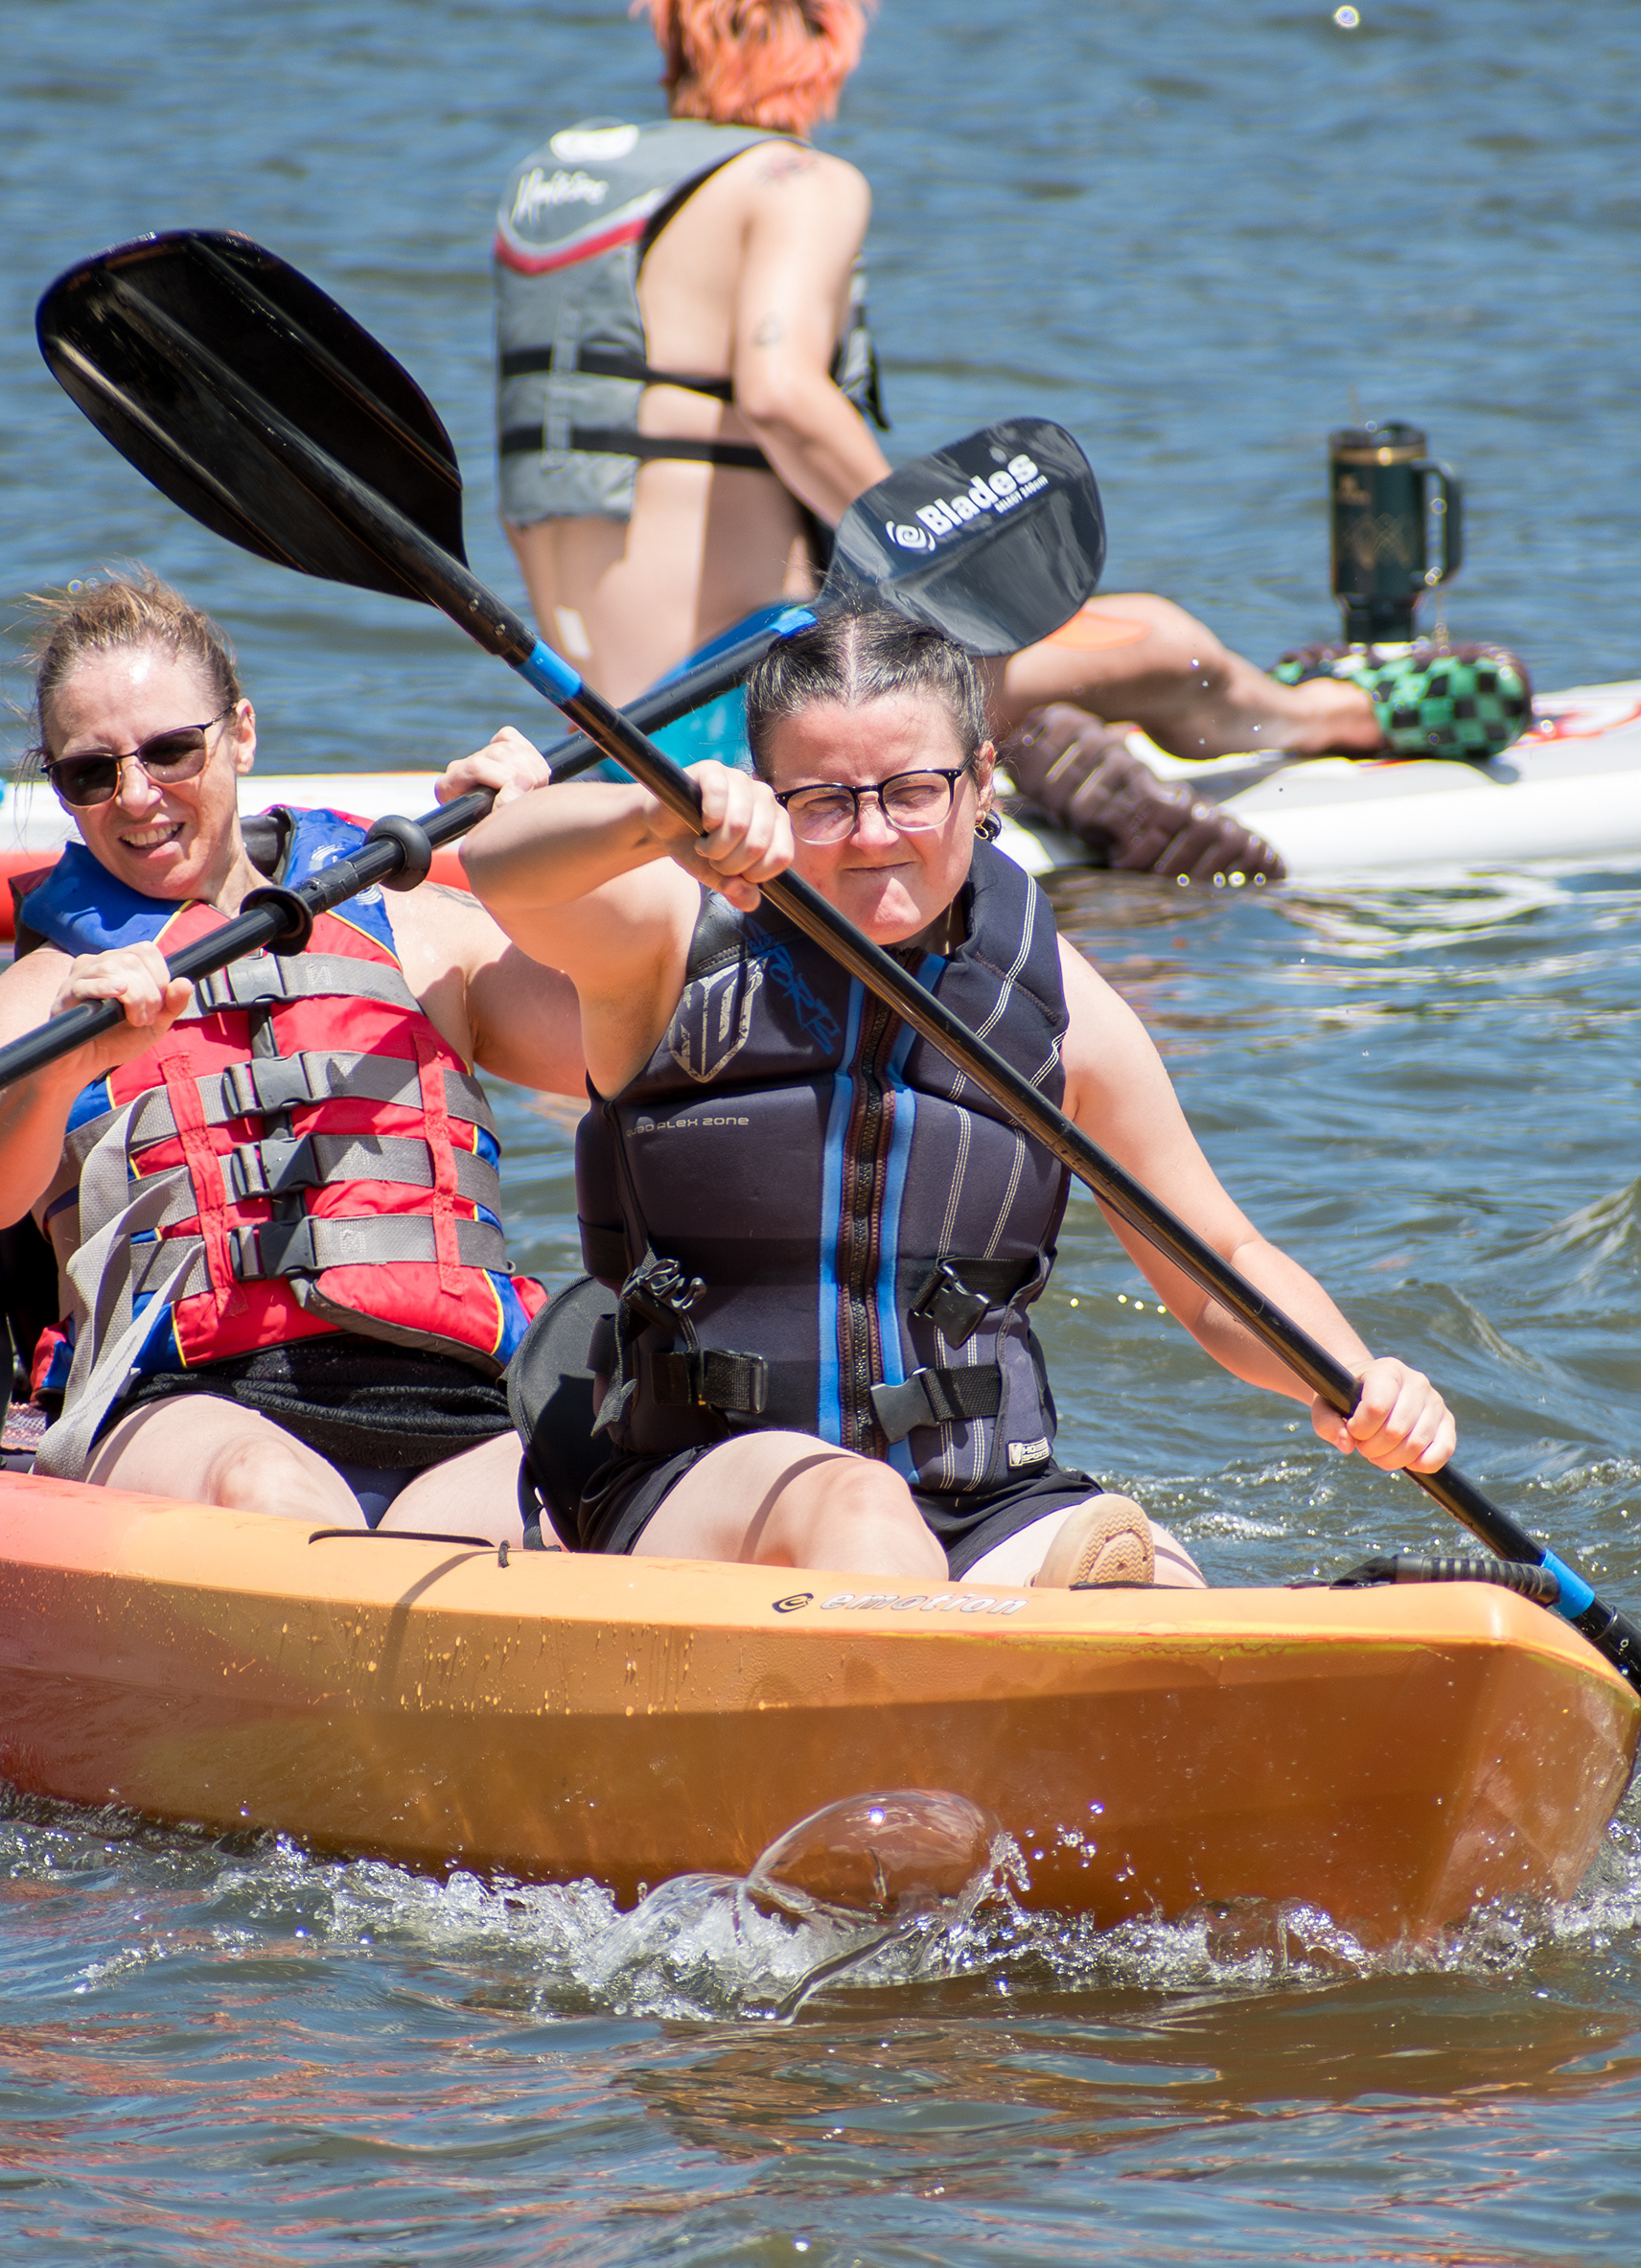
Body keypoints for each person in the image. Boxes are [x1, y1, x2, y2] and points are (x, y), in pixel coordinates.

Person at [488, 0, 1530, 880]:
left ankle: (1042, 735)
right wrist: (943, 570)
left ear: (674, 29)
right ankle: (1329, 715)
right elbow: (780, 392)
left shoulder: (559, 188)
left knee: (987, 657)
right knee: (1161, 637)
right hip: (746, 711)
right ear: (825, 35)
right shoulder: (796, 181)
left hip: (606, 727)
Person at [439, 605, 1462, 1586]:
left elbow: (1219, 1265)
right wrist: (650, 811)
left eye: (911, 790)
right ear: (767, 796)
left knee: (1150, 1576)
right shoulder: (672, 937)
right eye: (825, 800)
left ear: (981, 783)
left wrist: (1356, 1380)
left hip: (982, 1498)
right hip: (697, 1480)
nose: (873, 834)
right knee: (858, 1510)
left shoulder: (1063, 1015)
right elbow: (506, 872)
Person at [0, 569, 586, 1540]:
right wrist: (64, 1069)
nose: (138, 796)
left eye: (170, 750)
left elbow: (625, 1042)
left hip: (455, 1405)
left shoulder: (422, 931)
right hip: (185, 1409)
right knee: (265, 1486)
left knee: (548, 1516)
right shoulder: (48, 995)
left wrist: (540, 852)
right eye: (90, 772)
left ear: (240, 732)